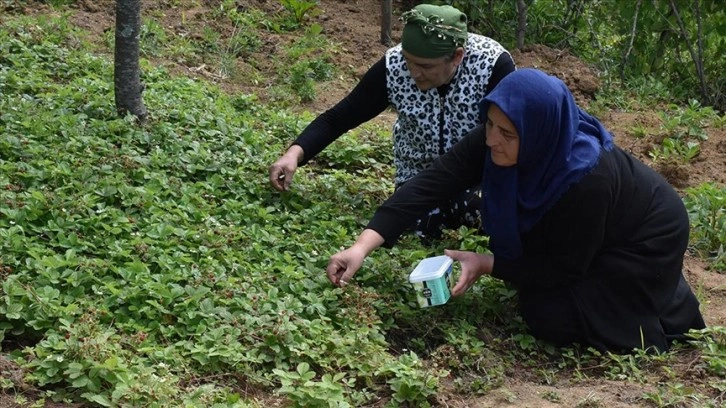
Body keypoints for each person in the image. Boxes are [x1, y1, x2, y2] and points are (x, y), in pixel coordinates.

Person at [325, 68, 706, 353]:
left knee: (546, 314)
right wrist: (361, 246)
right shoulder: (503, 132)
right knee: (538, 285)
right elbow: (433, 182)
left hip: (644, 239)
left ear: (541, 133)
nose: (492, 140)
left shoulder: (586, 181)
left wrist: (489, 263)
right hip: (597, 227)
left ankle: (655, 302)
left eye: (506, 134)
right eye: (489, 124)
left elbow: (565, 267)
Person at [269, 4, 515, 239]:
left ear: (457, 56)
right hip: (420, 181)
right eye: (409, 61)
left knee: (493, 215)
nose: (413, 72)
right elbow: (341, 116)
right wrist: (295, 153)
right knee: (415, 226)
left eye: (425, 66)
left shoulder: (491, 65)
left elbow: (512, 133)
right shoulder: (394, 65)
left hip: (477, 178)